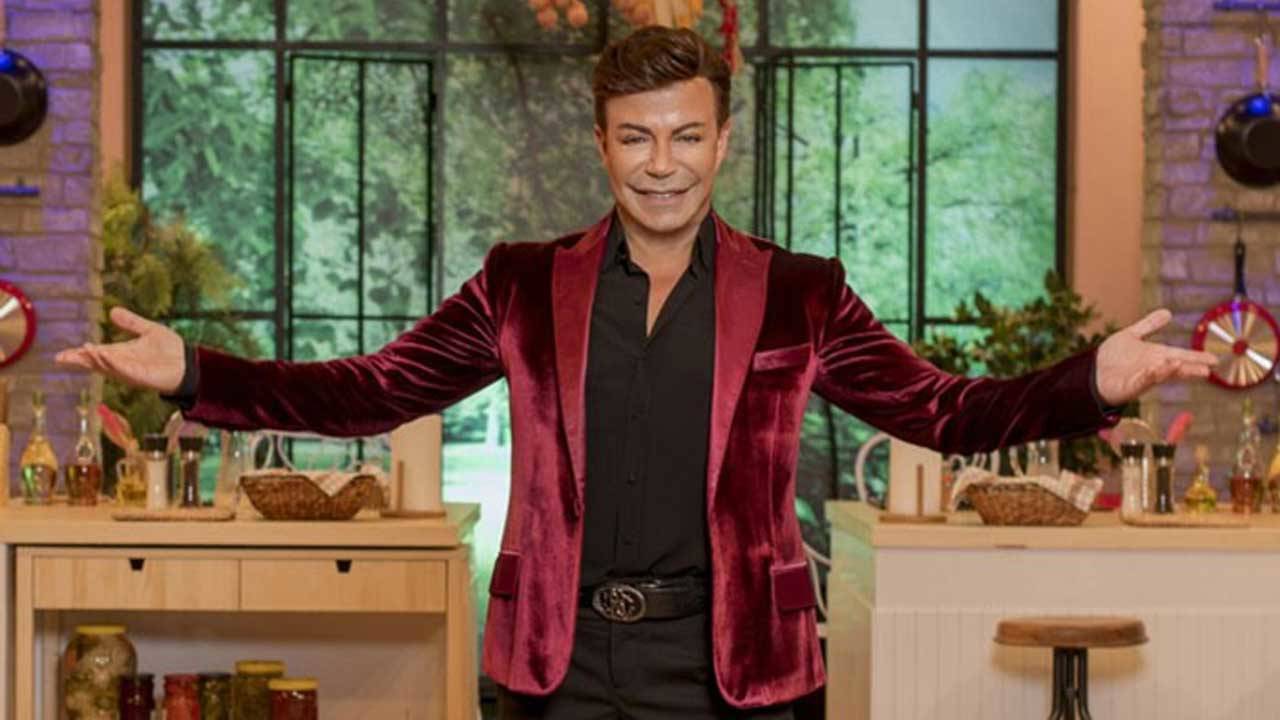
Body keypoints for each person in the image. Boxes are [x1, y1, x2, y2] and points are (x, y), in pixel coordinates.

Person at [58, 26, 1215, 720]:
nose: (661, 164)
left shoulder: (800, 293)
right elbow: (370, 391)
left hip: (732, 672)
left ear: (722, 141)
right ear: (601, 142)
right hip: (557, 670)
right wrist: (194, 371)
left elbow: (944, 411)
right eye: (635, 136)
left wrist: (1088, 381)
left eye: (685, 135)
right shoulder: (520, 284)